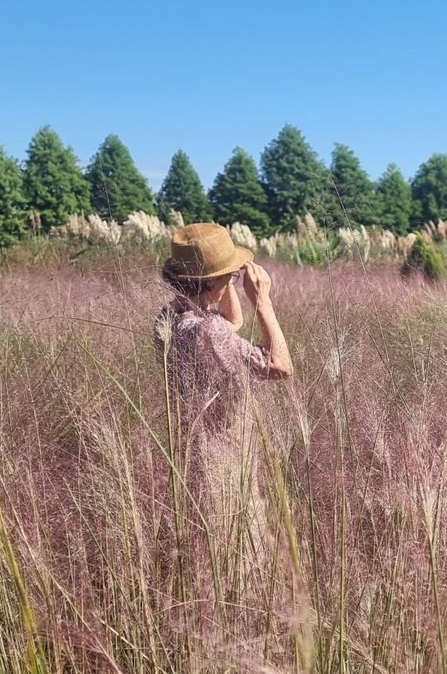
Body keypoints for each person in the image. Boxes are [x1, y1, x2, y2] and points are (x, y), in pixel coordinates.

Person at [154, 222, 293, 593]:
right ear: (213, 281)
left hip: (193, 456)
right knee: (240, 561)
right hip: (226, 462)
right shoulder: (208, 332)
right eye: (227, 275)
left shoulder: (168, 320)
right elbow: (280, 367)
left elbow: (232, 322)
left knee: (203, 555)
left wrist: (224, 281)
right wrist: (263, 302)